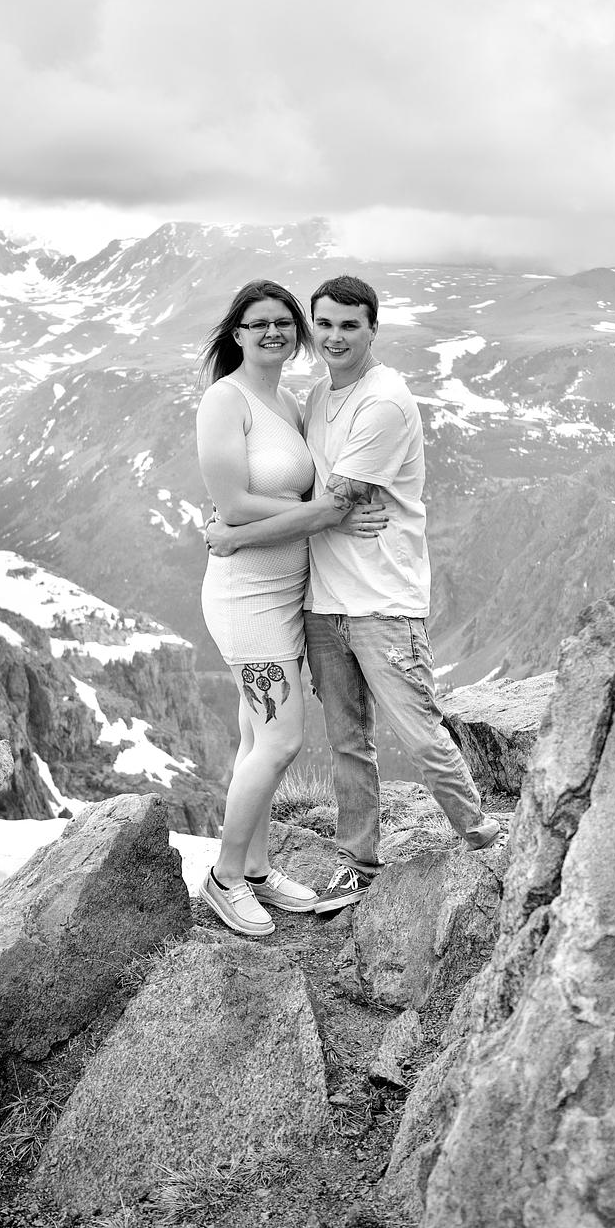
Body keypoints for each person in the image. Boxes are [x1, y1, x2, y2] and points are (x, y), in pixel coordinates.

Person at [206, 274, 500, 915]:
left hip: (379, 601)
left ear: (372, 329)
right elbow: (307, 502)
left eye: (349, 325)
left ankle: (484, 840)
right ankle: (340, 865)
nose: (334, 337)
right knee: (336, 743)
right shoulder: (302, 398)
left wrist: (233, 532)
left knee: (417, 734)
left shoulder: (380, 402)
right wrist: (235, 524)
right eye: (325, 324)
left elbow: (332, 503)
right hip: (308, 601)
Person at [196, 279, 385, 937]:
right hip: (247, 596)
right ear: (238, 333)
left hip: (286, 591)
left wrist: (322, 516)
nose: (273, 331)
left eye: (284, 321)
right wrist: (330, 515)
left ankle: (254, 869)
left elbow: (279, 503)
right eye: (259, 323)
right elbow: (234, 504)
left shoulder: (287, 399)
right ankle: (223, 878)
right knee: (280, 739)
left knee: (257, 737)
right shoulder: (225, 400)